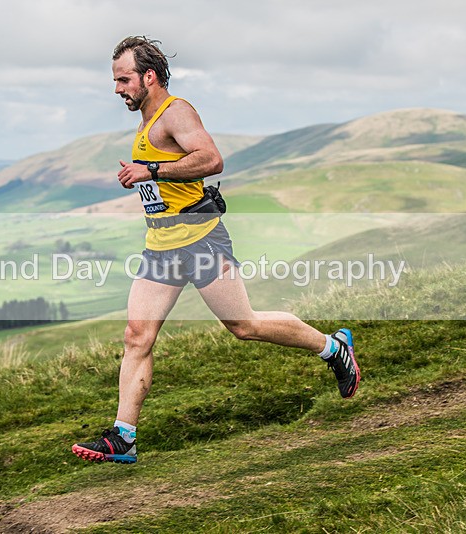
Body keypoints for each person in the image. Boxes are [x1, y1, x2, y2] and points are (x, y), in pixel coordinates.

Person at [72, 36, 359, 464]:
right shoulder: (148, 120)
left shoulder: (177, 112)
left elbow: (211, 159)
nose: (118, 89)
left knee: (244, 325)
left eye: (124, 79)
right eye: (116, 81)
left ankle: (334, 349)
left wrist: (150, 169)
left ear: (149, 76)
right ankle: (123, 437)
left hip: (201, 240)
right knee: (138, 336)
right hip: (161, 247)